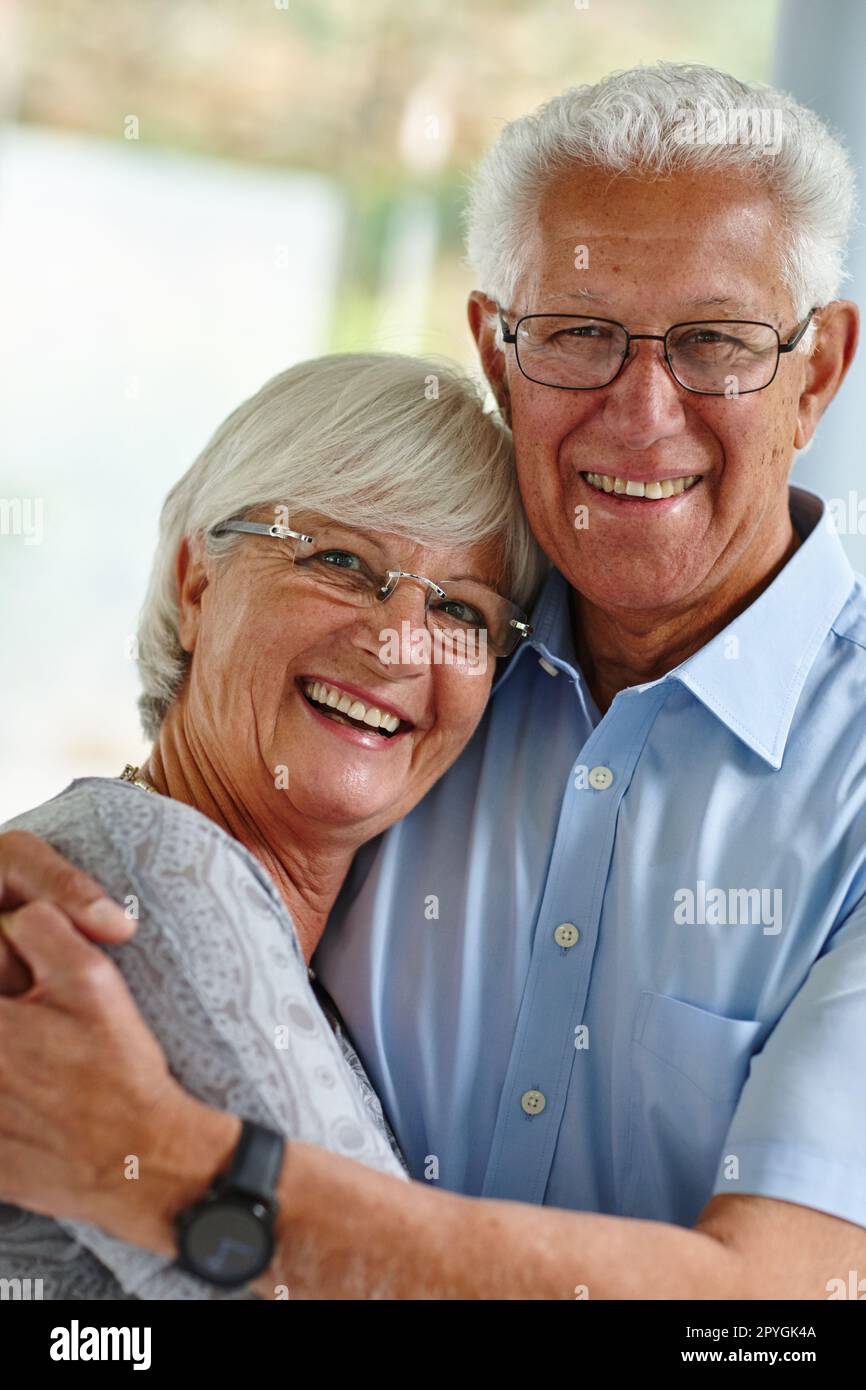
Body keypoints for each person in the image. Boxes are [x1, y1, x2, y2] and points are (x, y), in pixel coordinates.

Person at [1, 60, 865, 1298]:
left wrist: (174, 1174)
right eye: (576, 331)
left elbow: (770, 1311)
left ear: (817, 370)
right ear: (495, 349)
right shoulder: (435, 692)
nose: (639, 412)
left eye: (715, 342)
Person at [0, 351, 543, 1298]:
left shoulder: (297, 948)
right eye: (340, 561)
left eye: (460, 609)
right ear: (198, 588)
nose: (399, 640)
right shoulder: (147, 878)